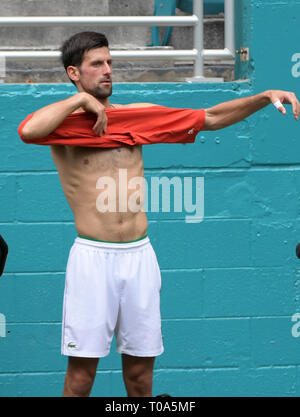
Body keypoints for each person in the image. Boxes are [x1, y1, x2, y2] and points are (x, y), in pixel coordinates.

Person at [18, 31, 300, 398]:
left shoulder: (136, 117)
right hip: (93, 258)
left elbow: (210, 117)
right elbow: (28, 130)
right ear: (74, 72)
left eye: (109, 62)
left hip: (139, 256)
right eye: (96, 64)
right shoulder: (64, 126)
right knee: (81, 379)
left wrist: (264, 97)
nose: (107, 70)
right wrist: (82, 102)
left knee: (139, 377)